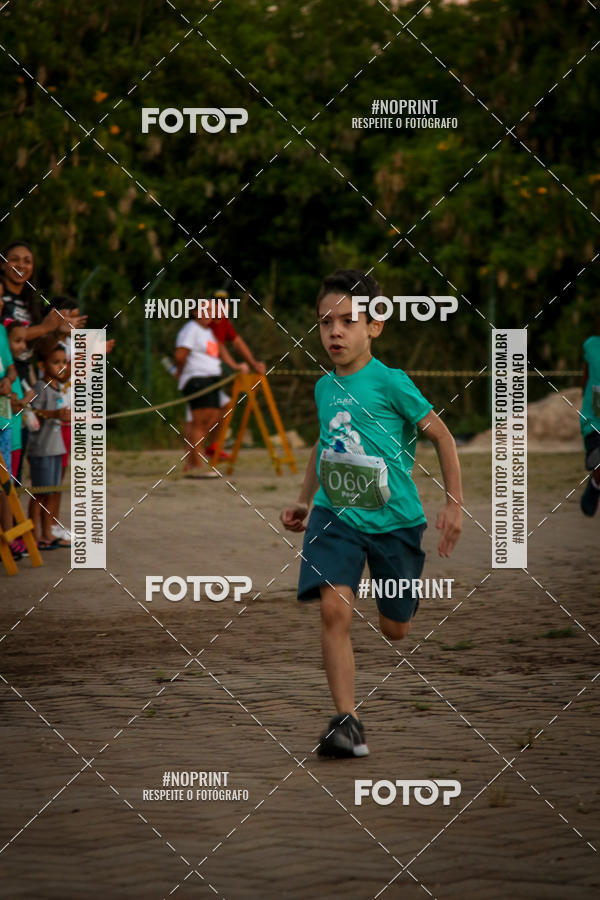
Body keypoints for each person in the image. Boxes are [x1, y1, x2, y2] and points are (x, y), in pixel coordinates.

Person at [280, 269, 463, 758]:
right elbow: (325, 443)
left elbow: (442, 436)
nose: (334, 332)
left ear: (374, 326)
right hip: (334, 516)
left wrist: (454, 504)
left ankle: (399, 602)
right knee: (334, 608)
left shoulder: (392, 383)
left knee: (394, 628)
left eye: (347, 321)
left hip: (395, 521)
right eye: (325, 323)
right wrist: (303, 499)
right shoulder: (323, 388)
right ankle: (347, 722)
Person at [183, 290, 266, 467]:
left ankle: (210, 447)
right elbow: (219, 348)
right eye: (217, 303)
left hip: (209, 377)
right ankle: (193, 460)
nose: (222, 306)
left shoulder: (223, 323)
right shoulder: (207, 323)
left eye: (225, 303)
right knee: (198, 419)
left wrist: (253, 363)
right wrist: (236, 366)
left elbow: (237, 343)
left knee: (221, 408)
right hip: (198, 377)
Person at [175, 302, 249, 478]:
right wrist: (180, 372)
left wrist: (235, 365)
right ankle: (197, 465)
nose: (210, 313)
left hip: (211, 380)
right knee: (201, 421)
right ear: (195, 312)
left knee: (218, 412)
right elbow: (180, 355)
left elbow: (220, 350)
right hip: (198, 379)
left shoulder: (207, 331)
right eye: (206, 309)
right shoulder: (191, 329)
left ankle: (200, 455)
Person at [27, 344, 70, 548]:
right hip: (42, 450)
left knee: (51, 493)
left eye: (64, 362)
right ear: (43, 365)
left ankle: (47, 534)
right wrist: (55, 415)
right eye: (56, 362)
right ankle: (34, 536)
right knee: (39, 494)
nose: (61, 366)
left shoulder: (57, 387)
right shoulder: (40, 388)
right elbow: (32, 414)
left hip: (55, 448)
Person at [579, 329, 600, 516]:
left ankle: (595, 482)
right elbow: (585, 376)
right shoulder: (592, 345)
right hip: (593, 419)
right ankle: (595, 481)